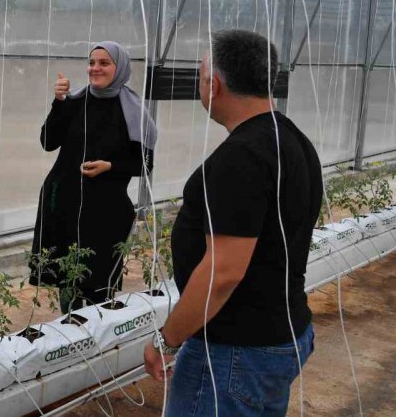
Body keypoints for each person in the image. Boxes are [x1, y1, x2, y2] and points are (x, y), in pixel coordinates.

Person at [144, 29, 321, 416]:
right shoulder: (294, 141)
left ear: (215, 84)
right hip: (279, 333)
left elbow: (222, 273)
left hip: (237, 352)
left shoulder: (241, 158)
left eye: (201, 75)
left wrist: (168, 339)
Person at [30, 41, 158, 310]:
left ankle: (94, 342)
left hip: (105, 213)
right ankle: (71, 335)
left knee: (97, 285)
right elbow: (47, 141)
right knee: (68, 280)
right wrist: (59, 102)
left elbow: (144, 164)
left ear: (119, 68)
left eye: (104, 63)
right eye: (91, 63)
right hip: (64, 204)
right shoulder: (75, 102)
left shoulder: (133, 111)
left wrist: (110, 166)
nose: (95, 68)